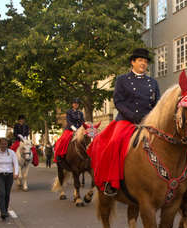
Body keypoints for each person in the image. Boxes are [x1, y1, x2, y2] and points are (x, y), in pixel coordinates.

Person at [88, 48, 160, 196]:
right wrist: (132, 116)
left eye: (145, 61)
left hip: (148, 121)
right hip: (127, 120)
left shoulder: (152, 82)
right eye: (140, 60)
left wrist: (153, 118)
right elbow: (118, 101)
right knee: (114, 142)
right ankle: (110, 181)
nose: (143, 64)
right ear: (132, 62)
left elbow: (157, 103)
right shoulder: (122, 79)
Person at [54, 98, 85, 163]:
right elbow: (69, 121)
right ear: (72, 104)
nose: (76, 105)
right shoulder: (69, 112)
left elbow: (82, 121)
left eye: (77, 104)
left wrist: (81, 129)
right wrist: (74, 129)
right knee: (64, 140)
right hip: (70, 129)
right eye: (74, 103)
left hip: (79, 130)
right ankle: (60, 156)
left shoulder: (80, 113)